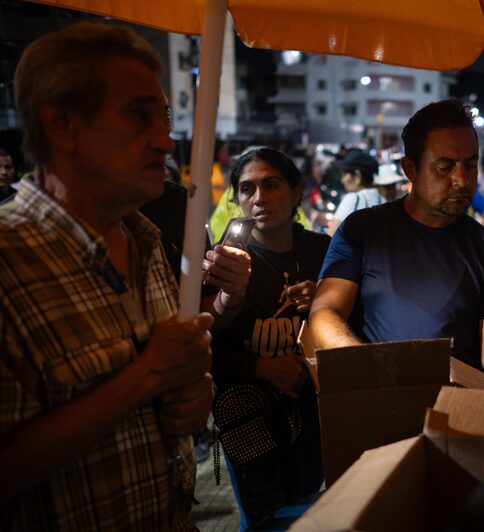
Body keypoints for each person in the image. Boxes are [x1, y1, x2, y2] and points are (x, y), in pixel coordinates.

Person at [0, 23, 214, 530]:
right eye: (139, 117)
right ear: (63, 126)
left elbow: (175, 393)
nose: (165, 141)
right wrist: (147, 377)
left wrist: (194, 397)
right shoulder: (9, 260)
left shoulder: (147, 243)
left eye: (164, 119)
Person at [309, 99, 484, 376]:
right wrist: (370, 367)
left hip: (453, 410)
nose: (462, 179)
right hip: (374, 402)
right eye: (445, 167)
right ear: (410, 169)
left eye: (470, 165)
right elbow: (324, 313)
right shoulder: (361, 230)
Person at [207, 147, 328, 530]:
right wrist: (259, 366)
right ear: (237, 200)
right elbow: (203, 342)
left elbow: (355, 322)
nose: (259, 198)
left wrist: (325, 298)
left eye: (271, 185)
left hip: (314, 413)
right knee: (262, 520)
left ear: (296, 193)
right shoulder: (225, 261)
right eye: (247, 189)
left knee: (310, 509)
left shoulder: (323, 252)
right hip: (249, 415)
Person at [326, 149, 384, 235]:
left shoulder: (353, 199)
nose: (342, 180)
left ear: (357, 176)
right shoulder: (382, 200)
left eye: (344, 175)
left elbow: (329, 237)